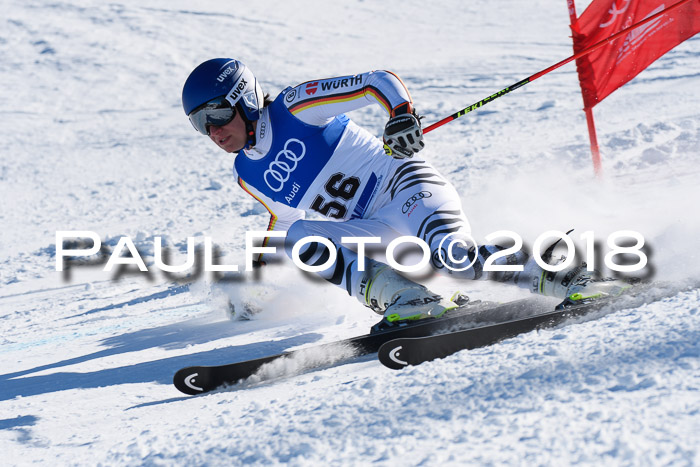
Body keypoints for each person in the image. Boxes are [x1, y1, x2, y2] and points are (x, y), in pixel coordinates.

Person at [181, 58, 629, 324]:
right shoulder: (245, 173)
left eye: (217, 114)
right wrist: (257, 280)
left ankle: (574, 274)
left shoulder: (295, 106)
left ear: (244, 97)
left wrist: (400, 115)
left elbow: (376, 81)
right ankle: (408, 298)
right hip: (372, 227)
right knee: (300, 239)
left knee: (455, 258)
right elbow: (283, 219)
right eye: (200, 124)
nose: (213, 131)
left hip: (403, 185)